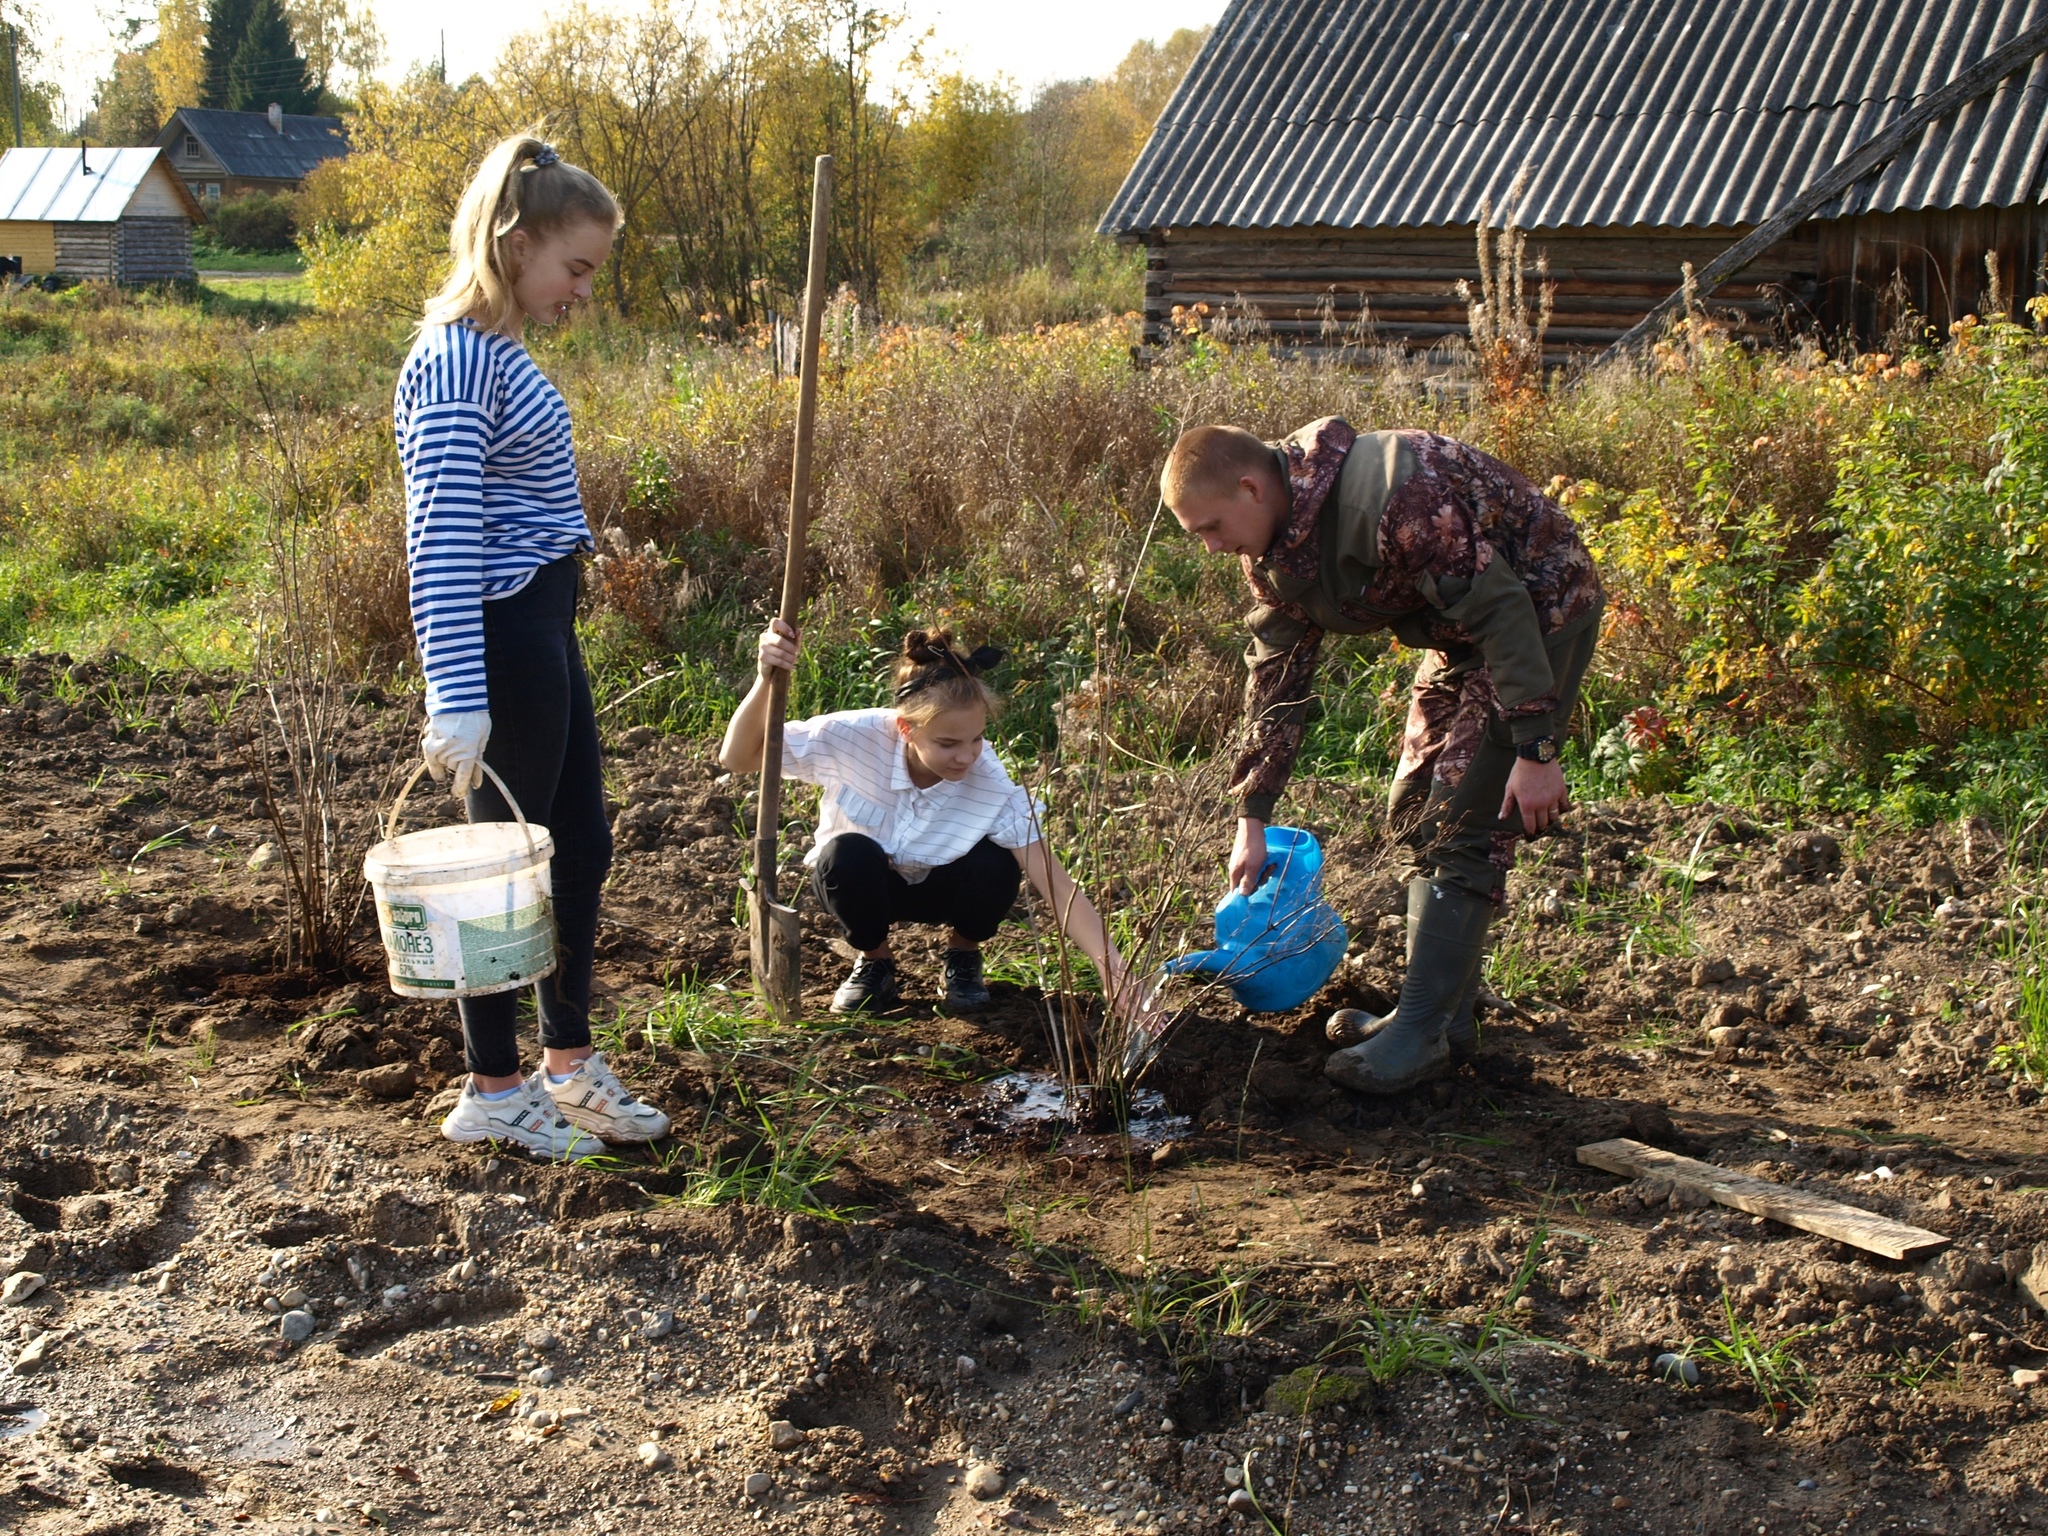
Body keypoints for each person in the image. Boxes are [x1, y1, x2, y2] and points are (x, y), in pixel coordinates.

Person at [1160, 419, 1604, 1094]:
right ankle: (1441, 1019)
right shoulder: (1273, 553)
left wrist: (1536, 749)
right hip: (1462, 636)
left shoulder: (1394, 495)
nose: (1216, 548)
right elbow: (1276, 679)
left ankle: (1422, 1032)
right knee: (1417, 805)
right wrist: (1252, 815)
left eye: (1212, 528)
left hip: (1536, 612)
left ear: (1251, 488)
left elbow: (1503, 607)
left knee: (1462, 819)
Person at [395, 132, 671, 1158]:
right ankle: (493, 1087)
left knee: (578, 847)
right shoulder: (457, 360)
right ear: (513, 243)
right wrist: (455, 694)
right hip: (500, 637)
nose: (584, 292)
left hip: (539, 627)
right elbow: (441, 535)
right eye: (577, 267)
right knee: (499, 872)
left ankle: (566, 1062)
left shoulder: (498, 355)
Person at [719, 623, 1150, 1023]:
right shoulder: (851, 737)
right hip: (868, 885)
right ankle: (875, 962)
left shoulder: (989, 780)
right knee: (844, 855)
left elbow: (1056, 884)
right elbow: (737, 758)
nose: (967, 755)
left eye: (977, 739)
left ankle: (963, 957)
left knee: (998, 861)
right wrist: (765, 678)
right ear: (906, 728)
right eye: (947, 743)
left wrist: (1113, 972)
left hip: (945, 887)